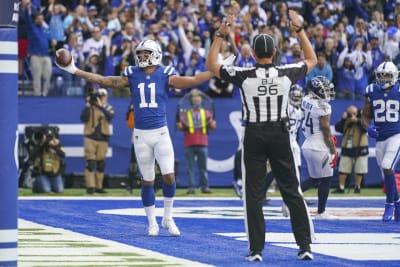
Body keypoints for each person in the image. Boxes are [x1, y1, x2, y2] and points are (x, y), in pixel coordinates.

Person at [56, 39, 215, 237]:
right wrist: (75, 71)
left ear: (155, 54)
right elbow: (105, 81)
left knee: (169, 175)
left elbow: (192, 81)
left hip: (161, 132)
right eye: (139, 54)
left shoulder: (165, 74)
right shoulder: (132, 74)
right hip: (141, 135)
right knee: (147, 180)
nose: (141, 57)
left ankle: (168, 217)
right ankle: (151, 223)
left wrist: (215, 70)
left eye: (145, 53)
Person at [206, 10, 317, 262]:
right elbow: (311, 59)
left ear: (254, 54)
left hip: (254, 133)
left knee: (253, 194)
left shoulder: (244, 75)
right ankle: (304, 245)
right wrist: (299, 30)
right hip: (280, 133)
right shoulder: (287, 73)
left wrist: (220, 36)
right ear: (274, 53)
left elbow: (212, 66)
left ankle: (256, 250)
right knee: (292, 190)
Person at [362, 61, 400, 222]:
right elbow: (365, 115)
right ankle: (398, 203)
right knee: (386, 172)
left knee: (387, 166)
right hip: (380, 138)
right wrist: (367, 127)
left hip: (396, 135)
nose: (383, 78)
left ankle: (389, 204)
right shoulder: (371, 90)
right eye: (381, 75)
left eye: (386, 75)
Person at [300, 75, 338, 220]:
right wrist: (333, 149)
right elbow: (326, 130)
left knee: (314, 179)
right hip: (319, 146)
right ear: (318, 91)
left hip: (308, 144)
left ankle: (288, 198)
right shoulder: (323, 106)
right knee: (326, 179)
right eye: (326, 90)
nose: (328, 93)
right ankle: (321, 212)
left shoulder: (305, 100)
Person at [176, 89, 216, 194]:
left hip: (203, 143)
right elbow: (181, 127)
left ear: (201, 100)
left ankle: (204, 187)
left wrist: (212, 124)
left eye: (198, 99)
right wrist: (179, 126)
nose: (196, 101)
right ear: (191, 101)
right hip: (189, 142)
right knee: (190, 167)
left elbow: (212, 127)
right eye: (194, 99)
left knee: (203, 167)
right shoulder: (186, 114)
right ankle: (191, 187)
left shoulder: (206, 113)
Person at [80, 88, 115, 194]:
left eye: (103, 96)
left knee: (100, 163)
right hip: (90, 137)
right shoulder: (89, 107)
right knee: (90, 163)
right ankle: (90, 187)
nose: (101, 98)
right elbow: (83, 118)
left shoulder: (108, 107)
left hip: (103, 138)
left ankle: (99, 187)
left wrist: (101, 106)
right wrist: (88, 103)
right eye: (99, 96)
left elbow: (110, 117)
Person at [332, 105, 368, 194]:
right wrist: (343, 119)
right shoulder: (345, 121)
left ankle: (357, 187)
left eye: (354, 113)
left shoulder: (363, 120)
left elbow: (365, 129)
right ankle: (341, 187)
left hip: (361, 147)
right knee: (343, 169)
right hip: (347, 147)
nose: (352, 115)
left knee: (360, 169)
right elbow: (338, 128)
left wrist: (357, 121)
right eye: (350, 113)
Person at [31, 127, 65, 193]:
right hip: (42, 173)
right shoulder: (40, 145)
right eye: (47, 137)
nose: (48, 139)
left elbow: (63, 155)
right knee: (46, 190)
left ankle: (48, 184)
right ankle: (36, 185)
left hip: (54, 174)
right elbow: (32, 156)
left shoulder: (57, 145)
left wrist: (54, 146)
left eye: (50, 137)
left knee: (60, 190)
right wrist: (41, 145)